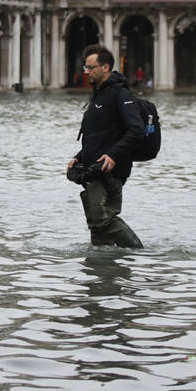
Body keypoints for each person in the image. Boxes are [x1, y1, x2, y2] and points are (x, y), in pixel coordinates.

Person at [67, 44, 144, 248]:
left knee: (104, 219)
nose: (87, 72)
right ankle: (101, 274)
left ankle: (141, 254)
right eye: (85, 67)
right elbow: (97, 136)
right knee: (96, 225)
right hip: (93, 170)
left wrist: (113, 156)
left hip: (110, 170)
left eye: (91, 67)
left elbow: (136, 130)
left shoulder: (121, 94)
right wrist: (79, 157)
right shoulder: (98, 94)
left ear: (106, 67)